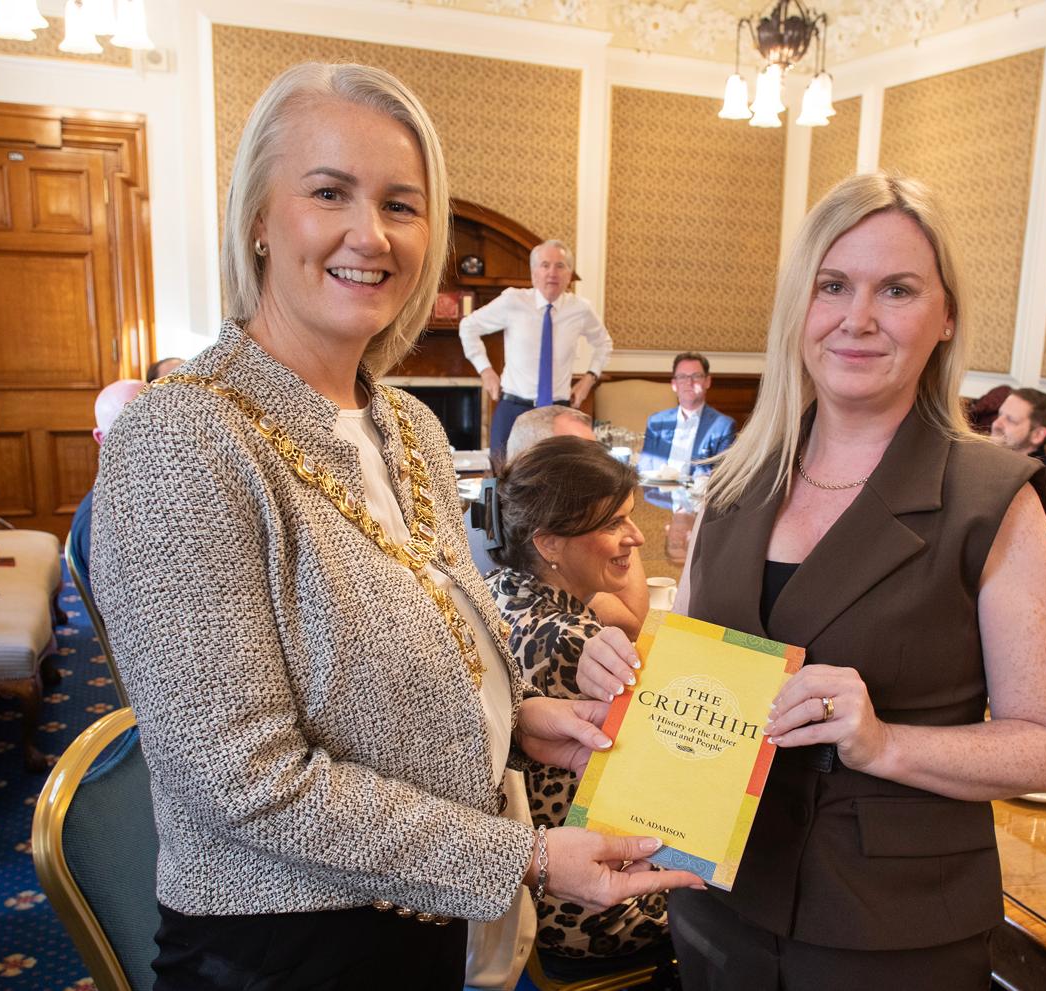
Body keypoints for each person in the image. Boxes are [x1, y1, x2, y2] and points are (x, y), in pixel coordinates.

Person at [91, 62, 700, 991]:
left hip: (434, 920)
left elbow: (430, 655)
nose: (370, 235)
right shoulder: (177, 438)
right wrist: (527, 856)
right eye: (329, 191)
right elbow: (246, 784)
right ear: (258, 216)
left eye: (402, 205)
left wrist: (514, 720)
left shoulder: (408, 426)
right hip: (286, 950)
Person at [576, 173, 1046, 989]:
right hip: (714, 899)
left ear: (945, 315)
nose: (858, 318)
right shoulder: (739, 479)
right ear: (798, 310)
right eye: (832, 286)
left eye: (897, 289)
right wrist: (624, 677)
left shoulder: (994, 498)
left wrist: (885, 742)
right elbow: (709, 682)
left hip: (886, 930)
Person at [483, 435, 672, 965]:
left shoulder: (502, 591)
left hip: (530, 884)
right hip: (586, 901)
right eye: (614, 523)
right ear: (548, 544)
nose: (636, 537)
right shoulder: (574, 645)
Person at [467, 406, 650, 638]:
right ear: (537, 462)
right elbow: (634, 622)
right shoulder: (528, 555)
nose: (599, 468)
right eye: (579, 458)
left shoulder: (487, 508)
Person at [458, 240, 613, 459]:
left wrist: (589, 379)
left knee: (557, 478)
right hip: (514, 407)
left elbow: (604, 344)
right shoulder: (513, 300)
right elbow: (468, 327)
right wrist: (485, 371)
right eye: (545, 265)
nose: (552, 272)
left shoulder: (580, 309)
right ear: (533, 273)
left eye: (560, 266)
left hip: (558, 411)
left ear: (569, 275)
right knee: (503, 478)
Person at [67, 379, 145, 591]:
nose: (146, 437)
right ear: (101, 438)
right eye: (129, 428)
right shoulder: (104, 515)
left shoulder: (149, 489)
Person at [638, 352, 737, 477]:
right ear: (674, 384)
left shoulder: (723, 426)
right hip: (657, 493)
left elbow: (722, 475)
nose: (689, 382)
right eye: (682, 376)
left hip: (697, 495)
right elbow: (644, 467)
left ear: (707, 381)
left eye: (696, 376)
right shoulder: (656, 422)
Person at [990, 387, 1046, 532]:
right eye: (999, 415)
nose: (996, 424)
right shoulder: (986, 459)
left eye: (1011, 420)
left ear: (1038, 435)